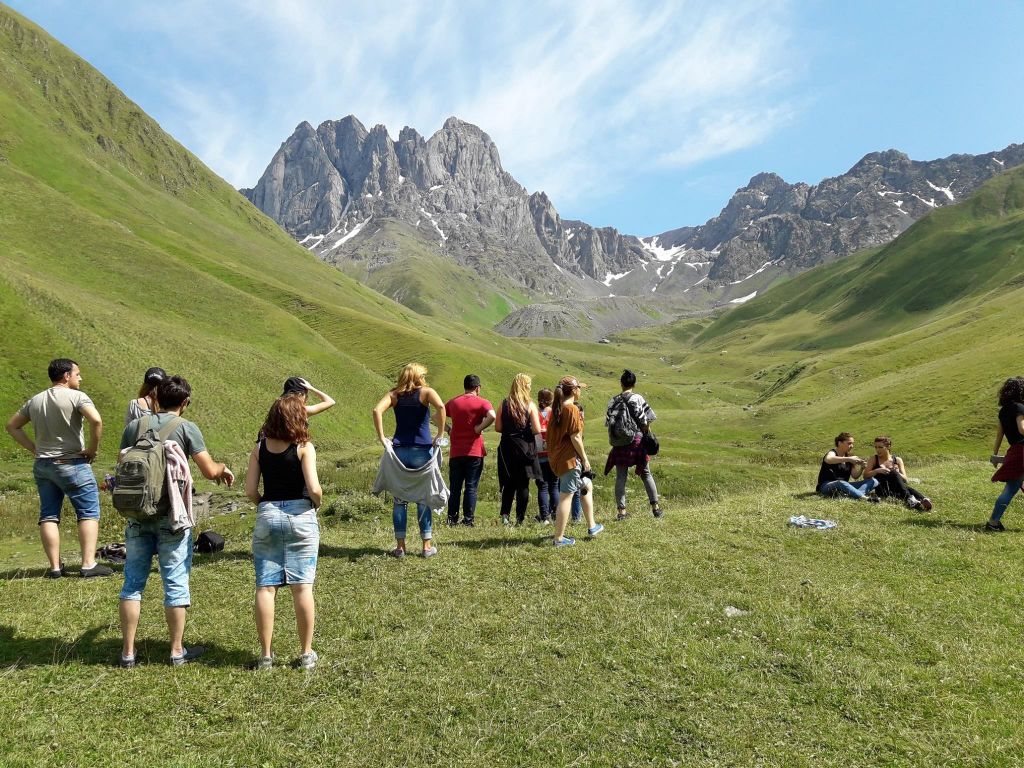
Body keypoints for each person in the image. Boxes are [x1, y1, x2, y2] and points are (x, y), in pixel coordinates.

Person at [117, 375, 235, 668]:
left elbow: (122, 464)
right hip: (172, 516)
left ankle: (128, 652)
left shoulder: (135, 426)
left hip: (137, 515)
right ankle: (176, 651)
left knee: (132, 584)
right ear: (185, 402)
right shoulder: (186, 428)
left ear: (156, 398)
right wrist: (222, 468)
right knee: (175, 582)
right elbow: (209, 471)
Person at [5, 358, 112, 578]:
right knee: (88, 512)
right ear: (66, 375)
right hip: (72, 462)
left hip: (43, 465)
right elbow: (96, 421)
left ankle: (55, 567)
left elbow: (12, 426)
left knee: (49, 515)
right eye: (77, 374)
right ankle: (88, 564)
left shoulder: (36, 400)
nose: (80, 378)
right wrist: (92, 450)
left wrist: (34, 449)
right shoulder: (77, 397)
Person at [245, 395, 323, 670]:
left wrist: (265, 506)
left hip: (268, 514)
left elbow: (250, 490)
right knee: (302, 587)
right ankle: (306, 654)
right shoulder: (304, 447)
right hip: (300, 514)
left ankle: (266, 656)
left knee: (266, 587)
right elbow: (314, 488)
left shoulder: (259, 448)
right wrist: (317, 503)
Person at [372, 363, 445, 557]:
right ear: (417, 376)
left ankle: (400, 547)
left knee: (399, 499)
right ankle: (426, 547)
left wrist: (382, 438)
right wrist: (439, 434)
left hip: (399, 451)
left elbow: (376, 410)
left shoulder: (394, 395)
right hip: (423, 450)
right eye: (422, 375)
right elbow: (441, 406)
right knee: (424, 498)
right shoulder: (427, 393)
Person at [547, 376, 603, 547]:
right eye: (579, 388)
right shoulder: (571, 409)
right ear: (573, 390)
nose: (580, 391)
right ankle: (559, 538)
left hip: (559, 458)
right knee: (566, 497)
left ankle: (592, 526)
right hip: (569, 460)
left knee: (586, 485)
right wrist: (585, 459)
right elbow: (576, 437)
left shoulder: (558, 408)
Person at [604, 369, 663, 520]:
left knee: (621, 477)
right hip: (636, 441)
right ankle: (655, 508)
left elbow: (608, 423)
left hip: (619, 444)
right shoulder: (637, 398)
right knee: (646, 473)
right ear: (634, 384)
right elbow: (647, 420)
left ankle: (621, 512)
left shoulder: (613, 401)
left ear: (621, 383)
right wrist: (648, 435)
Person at [444, 374, 495, 526]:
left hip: (456, 451)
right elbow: (492, 416)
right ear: (477, 388)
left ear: (465, 387)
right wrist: (479, 428)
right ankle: (468, 519)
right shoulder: (482, 402)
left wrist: (448, 429)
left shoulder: (454, 402)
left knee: (455, 487)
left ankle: (452, 518)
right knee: (471, 487)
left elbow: (436, 416)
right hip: (474, 451)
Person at [495, 373, 542, 525]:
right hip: (525, 448)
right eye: (529, 384)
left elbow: (498, 427)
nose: (530, 387)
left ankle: (505, 516)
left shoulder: (504, 403)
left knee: (509, 482)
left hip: (507, 447)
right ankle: (519, 518)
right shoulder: (530, 405)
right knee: (523, 484)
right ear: (524, 386)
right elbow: (537, 429)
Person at [987, 377, 1024, 532]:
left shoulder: (1003, 411)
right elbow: (1022, 429)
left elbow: (999, 435)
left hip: (1014, 451)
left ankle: (993, 522)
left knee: (1011, 489)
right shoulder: (1020, 407)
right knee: (1010, 489)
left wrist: (995, 455)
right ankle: (993, 522)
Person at [863, 436, 932, 510]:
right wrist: (877, 470)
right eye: (876, 447)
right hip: (882, 488)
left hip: (897, 488)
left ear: (888, 447)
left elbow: (905, 479)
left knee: (895, 475)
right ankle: (918, 498)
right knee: (902, 485)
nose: (877, 450)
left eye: (880, 447)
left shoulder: (897, 460)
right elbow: (865, 476)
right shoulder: (874, 459)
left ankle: (919, 500)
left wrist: (896, 473)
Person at [815, 432, 879, 502]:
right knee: (841, 482)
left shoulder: (849, 456)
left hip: (844, 485)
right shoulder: (833, 452)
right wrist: (849, 459)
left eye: (852, 443)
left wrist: (862, 468)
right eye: (849, 443)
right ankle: (865, 498)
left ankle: (851, 495)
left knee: (873, 481)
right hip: (826, 485)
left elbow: (855, 476)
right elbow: (828, 459)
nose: (852, 446)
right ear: (840, 443)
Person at [534, 388, 559, 524]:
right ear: (551, 400)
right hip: (553, 454)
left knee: (542, 486)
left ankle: (544, 517)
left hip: (538, 454)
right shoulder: (554, 413)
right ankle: (556, 514)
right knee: (554, 485)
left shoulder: (534, 413)